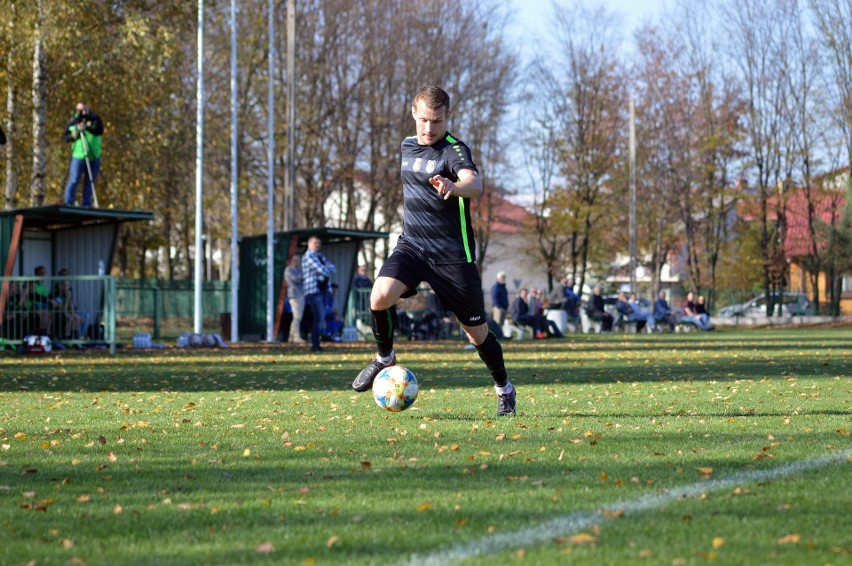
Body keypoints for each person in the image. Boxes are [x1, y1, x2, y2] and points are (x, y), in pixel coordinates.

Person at [352, 85, 516, 417]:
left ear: (448, 118)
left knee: (477, 334)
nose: (429, 129)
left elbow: (475, 182)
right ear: (413, 113)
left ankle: (504, 388)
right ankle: (385, 358)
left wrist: (456, 187)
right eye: (424, 120)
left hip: (453, 256)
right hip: (412, 247)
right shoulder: (407, 146)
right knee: (379, 296)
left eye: (437, 122)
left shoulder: (453, 151)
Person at [63, 102, 104, 208]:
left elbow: (99, 130)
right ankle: (68, 202)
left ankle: (86, 203)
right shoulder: (73, 122)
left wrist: (86, 127)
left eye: (85, 110)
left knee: (90, 181)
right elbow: (65, 137)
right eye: (80, 110)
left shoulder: (94, 119)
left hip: (94, 156)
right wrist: (74, 134)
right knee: (74, 179)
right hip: (78, 156)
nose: (83, 113)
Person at [302, 236, 335, 352]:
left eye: (319, 243)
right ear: (309, 244)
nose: (318, 245)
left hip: (322, 290)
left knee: (319, 318)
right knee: (319, 317)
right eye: (316, 243)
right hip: (313, 291)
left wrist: (324, 268)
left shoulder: (320, 256)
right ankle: (315, 344)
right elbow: (324, 270)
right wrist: (325, 268)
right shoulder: (308, 256)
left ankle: (316, 344)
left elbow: (332, 268)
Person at [52, 268, 90, 339]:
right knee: (75, 318)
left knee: (86, 316)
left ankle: (80, 336)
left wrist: (69, 298)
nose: (65, 287)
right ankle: (72, 337)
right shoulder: (55, 293)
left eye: (67, 286)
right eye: (63, 285)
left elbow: (71, 307)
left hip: (70, 310)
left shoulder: (69, 291)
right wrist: (67, 298)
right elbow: (63, 309)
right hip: (61, 312)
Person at [284, 254, 306, 343]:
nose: (297, 262)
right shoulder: (288, 270)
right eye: (295, 260)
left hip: (301, 294)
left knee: (298, 317)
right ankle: (296, 336)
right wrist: (300, 278)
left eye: (298, 260)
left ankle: (291, 336)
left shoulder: (299, 270)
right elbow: (294, 280)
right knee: (297, 316)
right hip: (294, 295)